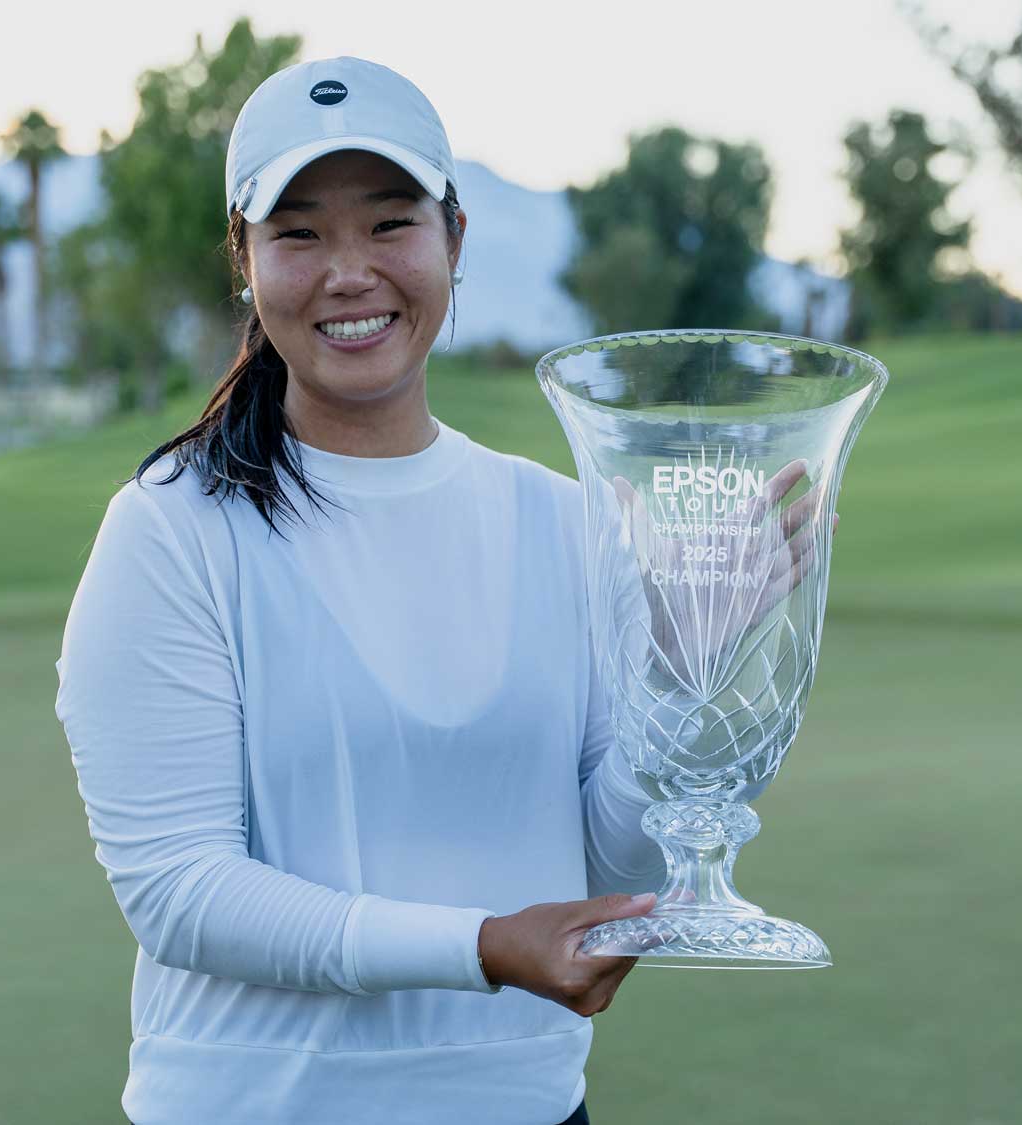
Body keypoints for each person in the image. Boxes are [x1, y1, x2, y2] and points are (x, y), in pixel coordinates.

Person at [53, 56, 671, 1125]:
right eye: (297, 233)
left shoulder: (562, 521)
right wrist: (479, 948)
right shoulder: (171, 529)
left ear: (454, 240)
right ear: (243, 262)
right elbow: (181, 893)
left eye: (389, 224)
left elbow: (621, 858)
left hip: (524, 1107)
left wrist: (698, 665)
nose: (349, 272)